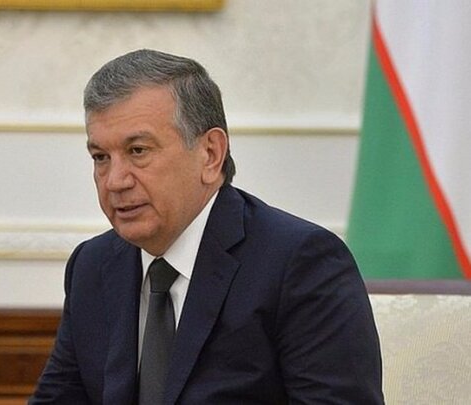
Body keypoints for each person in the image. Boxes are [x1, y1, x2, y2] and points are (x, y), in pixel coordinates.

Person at [28, 49, 384, 404]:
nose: (114, 181)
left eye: (138, 151)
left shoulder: (300, 263)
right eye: (101, 157)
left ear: (211, 154)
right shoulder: (92, 265)